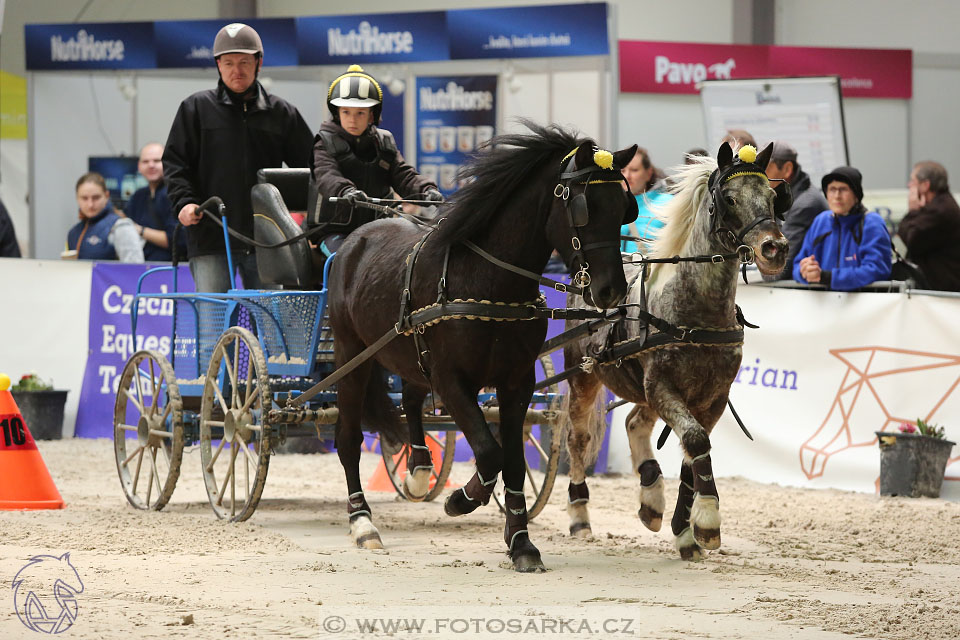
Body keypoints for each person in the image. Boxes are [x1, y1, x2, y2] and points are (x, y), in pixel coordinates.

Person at [163, 22, 313, 291]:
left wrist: (311, 219)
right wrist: (184, 203)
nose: (237, 70)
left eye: (244, 61)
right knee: (212, 324)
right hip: (210, 237)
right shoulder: (195, 109)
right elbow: (176, 164)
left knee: (271, 326)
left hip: (269, 240)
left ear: (259, 62)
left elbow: (311, 168)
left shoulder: (281, 113)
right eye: (229, 62)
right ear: (218, 64)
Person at [310, 64, 441, 257]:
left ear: (372, 115)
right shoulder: (324, 143)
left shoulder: (384, 143)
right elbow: (327, 176)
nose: (352, 120)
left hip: (379, 229)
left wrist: (426, 190)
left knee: (408, 258)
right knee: (344, 262)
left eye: (360, 113)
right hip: (334, 231)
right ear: (337, 112)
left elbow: (404, 175)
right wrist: (346, 191)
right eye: (346, 112)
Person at [793, 166, 891, 291]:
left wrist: (828, 277)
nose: (837, 196)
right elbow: (797, 265)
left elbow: (877, 270)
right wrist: (805, 272)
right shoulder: (820, 221)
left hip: (865, 306)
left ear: (856, 195)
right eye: (832, 189)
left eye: (843, 189)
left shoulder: (871, 223)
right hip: (823, 306)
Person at [762, 141, 829, 281]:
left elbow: (778, 270)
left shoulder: (806, 205)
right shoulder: (783, 198)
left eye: (765, 167)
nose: (760, 174)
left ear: (787, 169)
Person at [896, 162, 960, 292]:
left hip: (941, 291)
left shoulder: (939, 211)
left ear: (925, 185)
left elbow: (911, 238)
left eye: (913, 181)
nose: (909, 185)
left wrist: (912, 211)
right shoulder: (938, 206)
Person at [66, 172, 144, 263]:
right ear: (77, 198)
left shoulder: (121, 226)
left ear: (106, 196)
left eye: (96, 198)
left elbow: (135, 271)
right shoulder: (74, 232)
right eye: (84, 198)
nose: (90, 204)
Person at [124, 143, 181, 262]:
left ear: (167, 162)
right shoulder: (138, 196)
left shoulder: (176, 193)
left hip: (172, 268)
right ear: (139, 166)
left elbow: (177, 240)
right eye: (145, 161)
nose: (151, 165)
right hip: (139, 266)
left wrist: (139, 230)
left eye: (157, 160)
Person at [619, 147, 672, 253]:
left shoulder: (669, 203)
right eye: (622, 170)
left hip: (653, 268)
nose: (627, 176)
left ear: (648, 173)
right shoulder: (608, 207)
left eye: (634, 170)